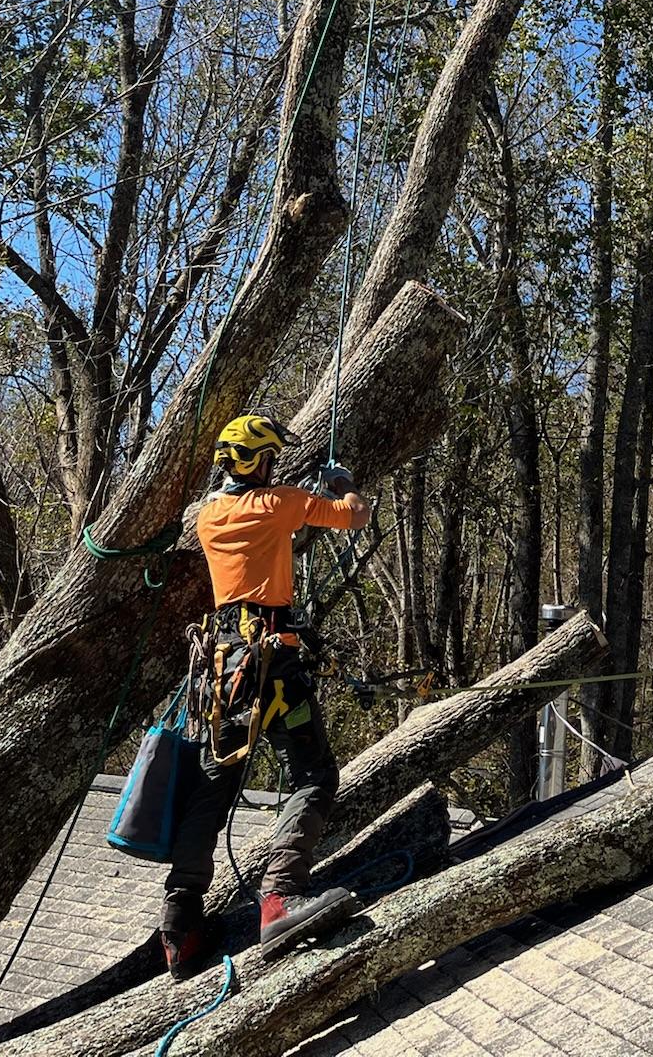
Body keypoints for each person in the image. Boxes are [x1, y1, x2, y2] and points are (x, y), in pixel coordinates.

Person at [160, 413, 371, 978]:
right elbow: (354, 516)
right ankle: (280, 897)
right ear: (261, 462)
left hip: (221, 664)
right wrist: (342, 481)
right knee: (315, 775)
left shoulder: (207, 516)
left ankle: (179, 923)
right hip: (271, 660)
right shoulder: (276, 505)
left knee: (213, 788)